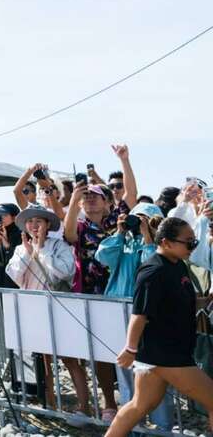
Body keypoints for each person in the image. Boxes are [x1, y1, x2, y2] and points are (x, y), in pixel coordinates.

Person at [104, 218, 213, 437]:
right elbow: (140, 314)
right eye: (189, 242)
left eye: (195, 242)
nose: (193, 247)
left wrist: (207, 300)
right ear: (166, 242)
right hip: (166, 354)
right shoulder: (153, 271)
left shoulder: (178, 264)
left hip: (165, 352)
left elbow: (182, 303)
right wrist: (130, 349)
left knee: (140, 405)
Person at [6, 204, 92, 415]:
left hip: (59, 309)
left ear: (47, 224)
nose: (34, 226)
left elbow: (65, 272)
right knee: (42, 359)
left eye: (39, 221)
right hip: (33, 310)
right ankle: (50, 403)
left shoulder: (59, 246)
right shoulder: (20, 248)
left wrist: (42, 249)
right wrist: (29, 254)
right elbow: (14, 275)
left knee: (70, 358)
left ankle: (85, 406)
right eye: (30, 222)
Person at [95, 203, 174, 431]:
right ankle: (133, 427)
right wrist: (120, 232)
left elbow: (154, 269)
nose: (137, 222)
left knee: (155, 373)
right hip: (118, 315)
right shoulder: (124, 242)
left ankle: (162, 427)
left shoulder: (161, 246)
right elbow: (103, 257)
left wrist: (147, 237)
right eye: (135, 218)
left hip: (149, 317)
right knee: (126, 373)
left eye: (143, 218)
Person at [63, 183, 122, 419]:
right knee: (101, 352)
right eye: (85, 197)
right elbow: (68, 234)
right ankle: (109, 403)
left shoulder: (117, 221)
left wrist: (124, 161)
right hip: (93, 294)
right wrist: (74, 197)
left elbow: (130, 193)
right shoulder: (80, 226)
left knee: (131, 349)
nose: (90, 200)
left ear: (108, 202)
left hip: (122, 290)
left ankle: (137, 402)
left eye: (95, 196)